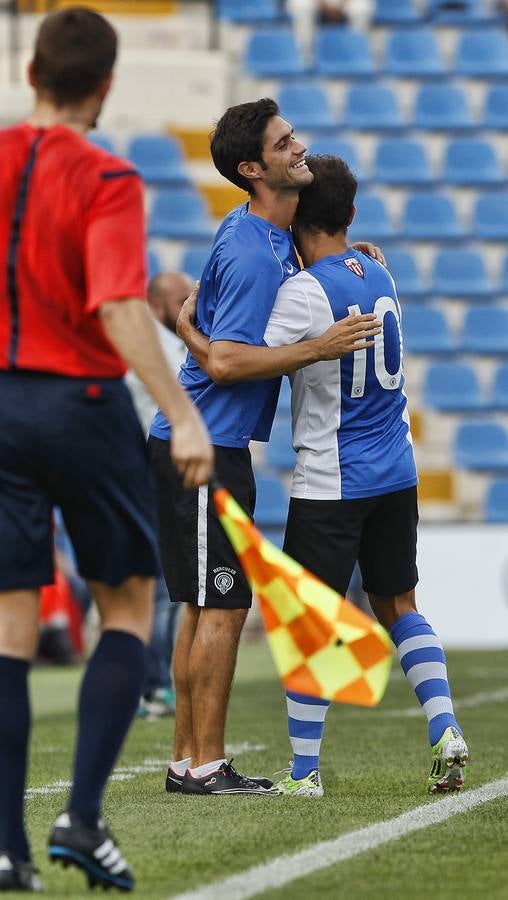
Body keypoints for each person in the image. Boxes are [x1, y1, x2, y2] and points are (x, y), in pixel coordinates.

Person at [0, 8, 212, 894]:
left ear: (31, 72)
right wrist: (181, 413)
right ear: (108, 85)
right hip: (82, 404)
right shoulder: (109, 176)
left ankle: (5, 849)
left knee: (9, 625)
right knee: (126, 608)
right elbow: (119, 305)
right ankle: (82, 820)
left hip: (0, 401)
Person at [149, 97, 383, 797]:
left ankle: (189, 760)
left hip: (208, 445)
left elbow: (206, 319)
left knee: (205, 605)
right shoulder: (254, 249)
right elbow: (224, 361)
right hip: (203, 448)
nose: (298, 147)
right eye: (284, 144)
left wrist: (348, 255)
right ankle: (204, 765)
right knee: (221, 605)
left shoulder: (268, 233)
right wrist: (319, 346)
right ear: (252, 168)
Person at [257, 154, 468, 798]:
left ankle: (304, 773)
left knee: (310, 621)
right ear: (351, 215)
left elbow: (256, 358)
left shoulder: (303, 292)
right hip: (396, 470)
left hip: (332, 478)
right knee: (398, 604)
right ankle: (446, 728)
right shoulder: (378, 270)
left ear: (295, 215)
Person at [126, 272, 193, 718]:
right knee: (161, 590)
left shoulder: (158, 345)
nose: (187, 308)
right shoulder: (152, 348)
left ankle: (152, 685)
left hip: (151, 475)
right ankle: (153, 686)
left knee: (162, 589)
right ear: (157, 304)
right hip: (150, 476)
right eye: (181, 301)